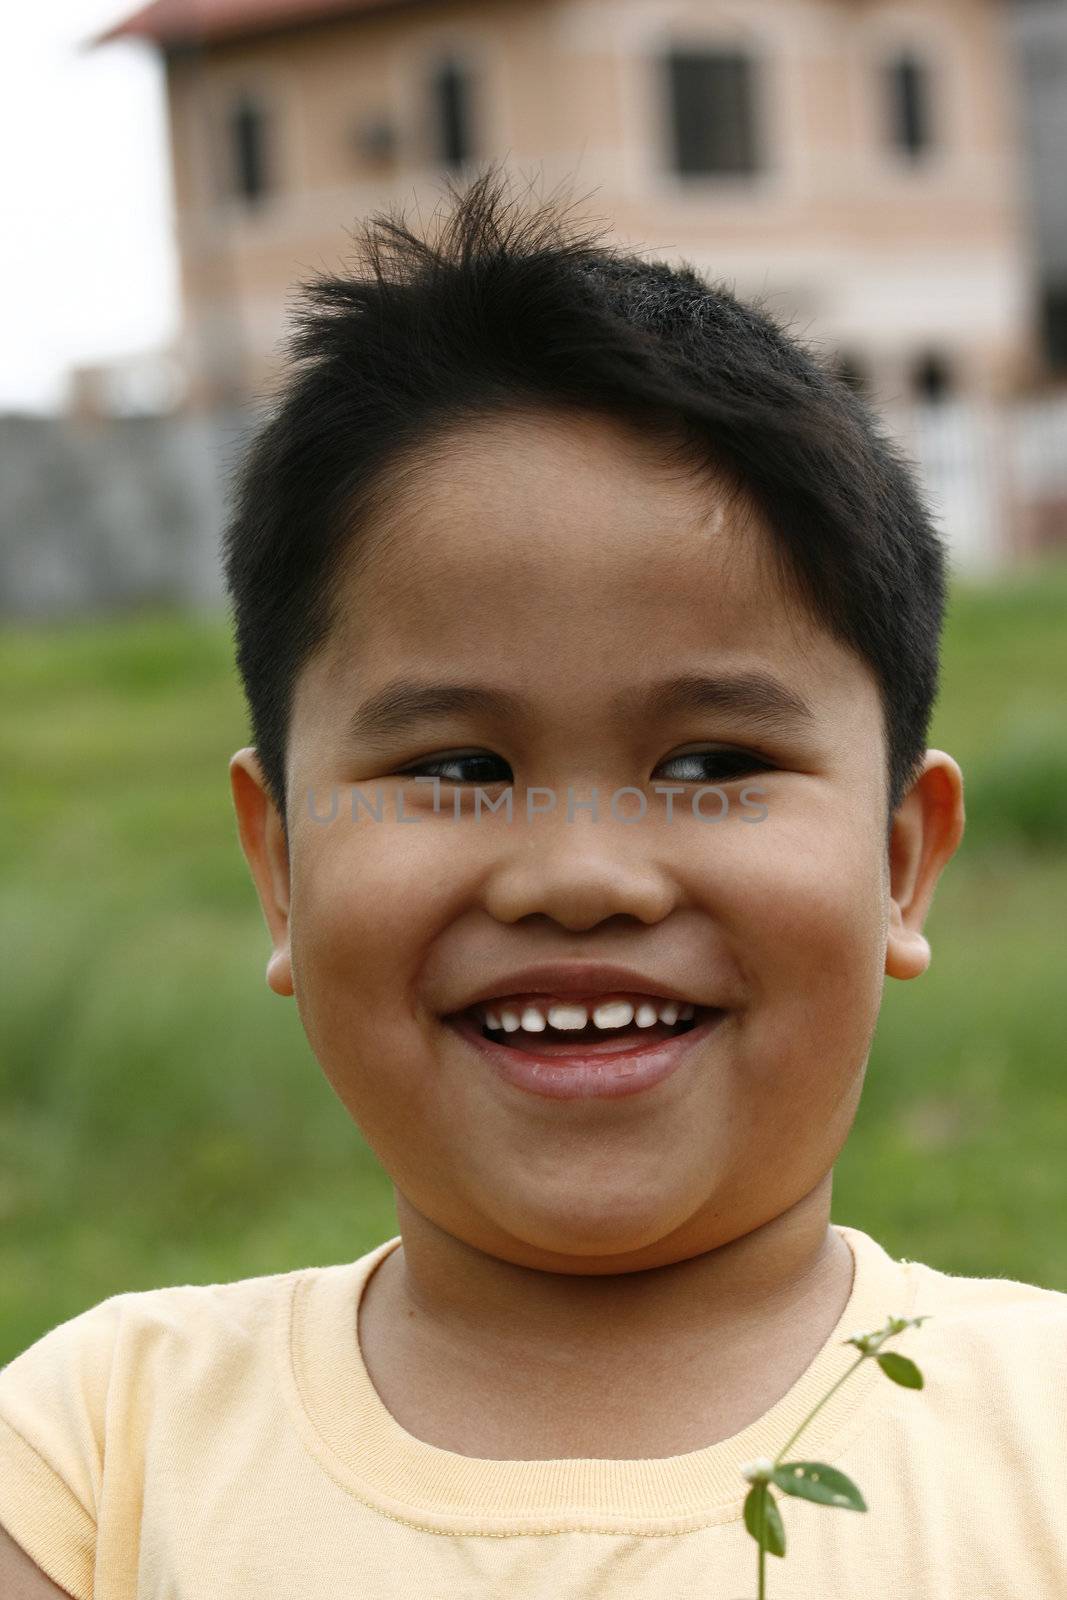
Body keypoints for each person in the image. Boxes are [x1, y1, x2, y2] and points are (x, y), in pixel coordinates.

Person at [2, 165, 1064, 1600]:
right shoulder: (93, 1456)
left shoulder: (1041, 1435)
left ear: (898, 862)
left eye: (707, 766)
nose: (581, 876)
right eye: (456, 768)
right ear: (281, 869)